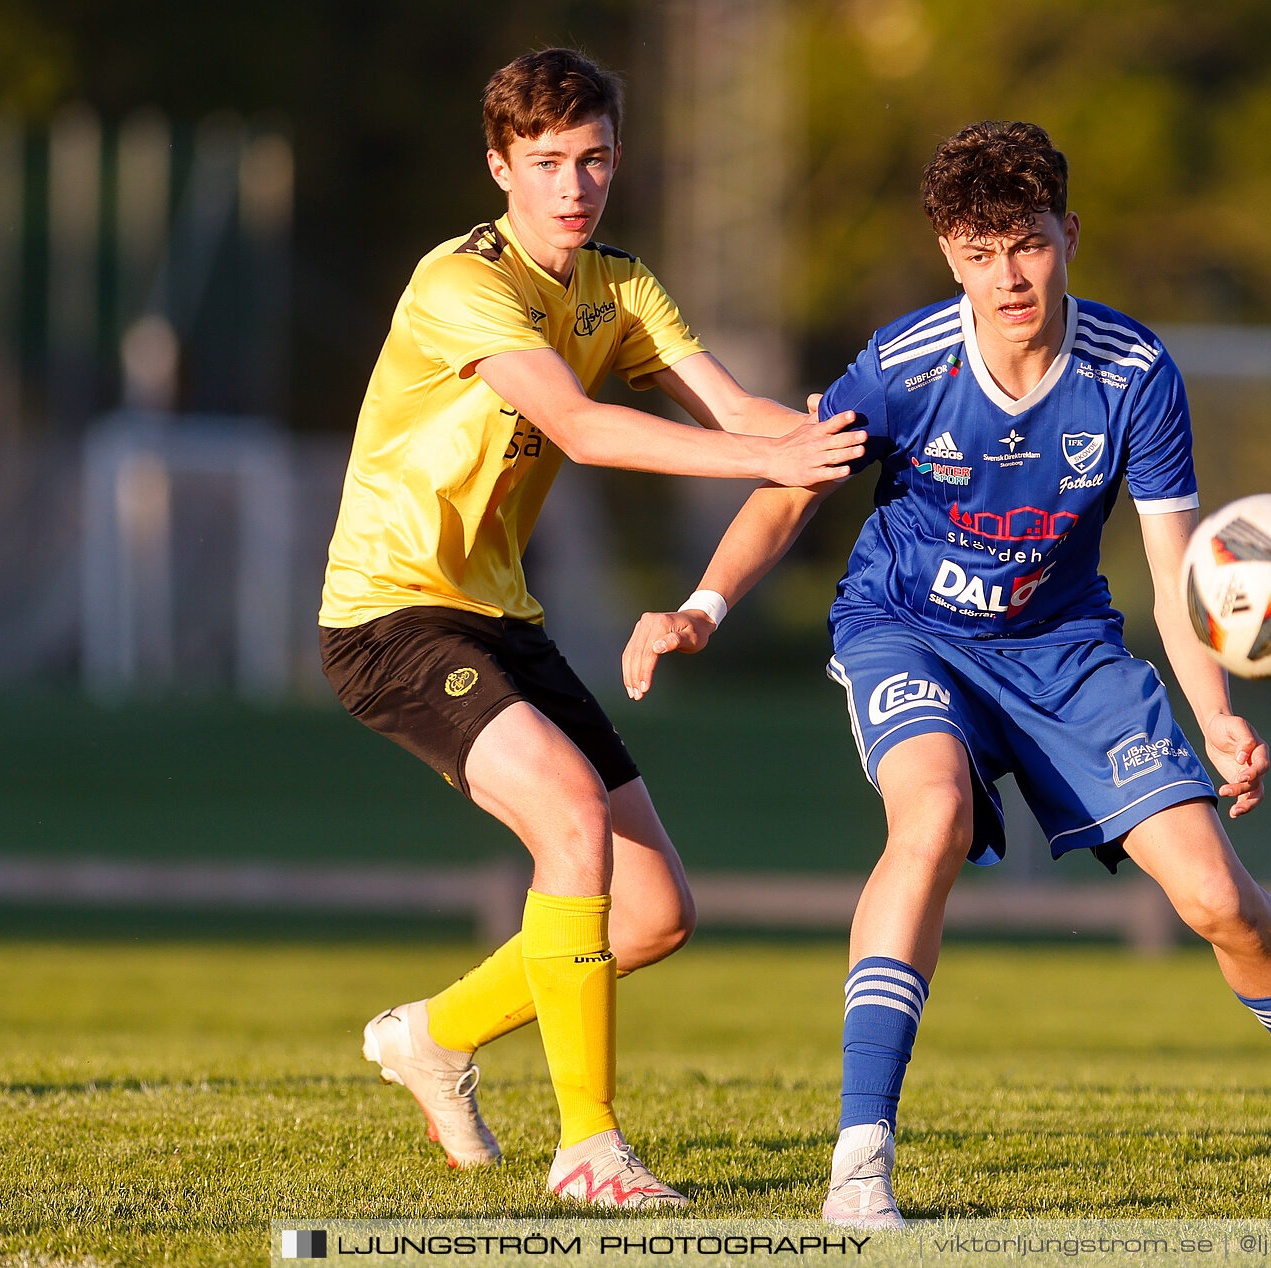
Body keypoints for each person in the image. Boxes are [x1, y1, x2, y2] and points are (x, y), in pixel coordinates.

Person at [623, 120, 1271, 1226]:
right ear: (949, 257)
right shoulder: (905, 364)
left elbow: (1177, 574)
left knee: (1219, 897)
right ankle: (861, 1155)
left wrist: (1215, 714)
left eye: (1024, 244)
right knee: (924, 822)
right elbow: (791, 488)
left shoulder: (1134, 373)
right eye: (977, 253)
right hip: (909, 630)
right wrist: (701, 606)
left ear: (1067, 234)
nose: (1005, 275)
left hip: (1068, 650)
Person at [317, 47, 864, 1208]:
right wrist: (772, 455)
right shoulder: (462, 280)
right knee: (570, 814)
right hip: (391, 612)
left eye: (597, 158)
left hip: (501, 619)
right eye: (550, 162)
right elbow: (581, 426)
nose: (576, 186)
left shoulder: (619, 284)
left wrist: (853, 438)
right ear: (500, 165)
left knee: (657, 911)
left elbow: (739, 408)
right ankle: (590, 1151)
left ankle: (434, 1033)